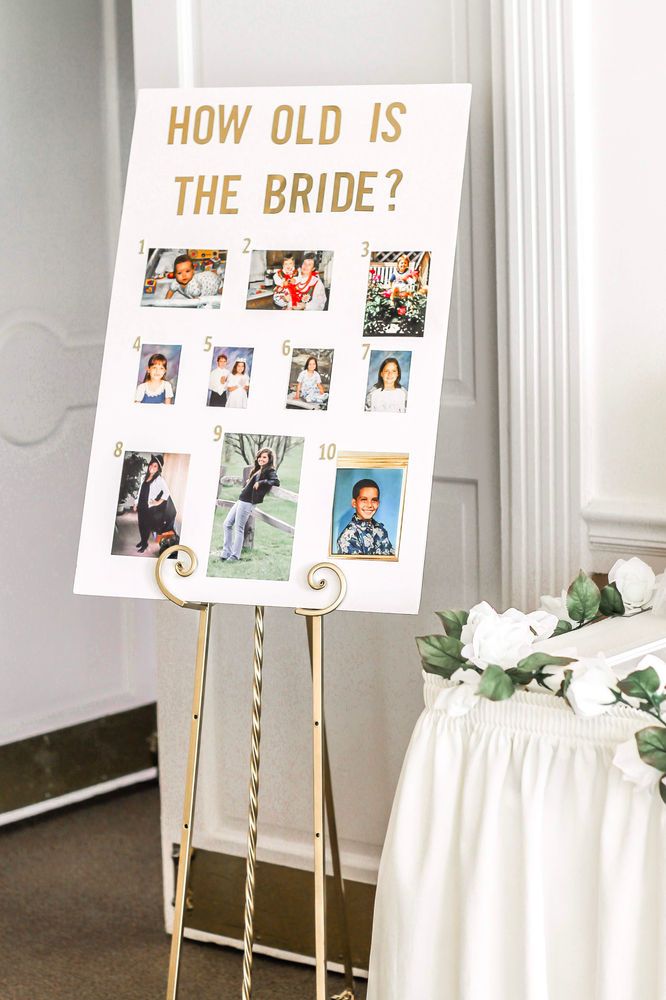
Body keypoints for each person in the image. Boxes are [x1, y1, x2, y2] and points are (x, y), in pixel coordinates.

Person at [221, 448, 280, 561]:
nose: (261, 459)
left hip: (248, 502)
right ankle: (226, 551)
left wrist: (260, 482)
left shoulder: (270, 470)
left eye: (264, 457)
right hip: (241, 500)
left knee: (239, 528)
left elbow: (276, 482)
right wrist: (251, 481)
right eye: (260, 456)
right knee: (227, 524)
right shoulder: (259, 469)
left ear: (269, 459)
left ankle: (234, 556)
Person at [336, 478, 395, 556]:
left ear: (378, 503)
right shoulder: (348, 537)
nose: (369, 505)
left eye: (374, 500)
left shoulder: (381, 530)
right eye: (364, 500)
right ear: (354, 503)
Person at [134, 455, 177, 553]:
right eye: (151, 465)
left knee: (146, 526)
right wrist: (136, 503)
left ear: (158, 469)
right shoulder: (145, 477)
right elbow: (140, 492)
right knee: (141, 525)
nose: (151, 468)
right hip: (141, 505)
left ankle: (144, 544)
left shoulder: (159, 480)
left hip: (149, 507)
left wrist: (158, 502)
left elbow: (166, 492)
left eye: (155, 466)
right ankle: (142, 541)